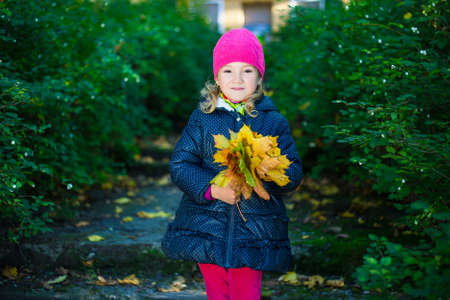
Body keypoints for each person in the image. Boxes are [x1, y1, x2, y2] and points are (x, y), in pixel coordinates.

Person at [162, 28, 303, 300]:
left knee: (246, 293)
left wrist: (268, 168)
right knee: (217, 293)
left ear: (259, 76)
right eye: (228, 71)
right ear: (216, 76)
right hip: (207, 227)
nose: (237, 79)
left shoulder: (273, 122)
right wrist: (213, 190)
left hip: (255, 230)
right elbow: (181, 164)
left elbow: (294, 173)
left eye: (247, 71)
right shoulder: (203, 119)